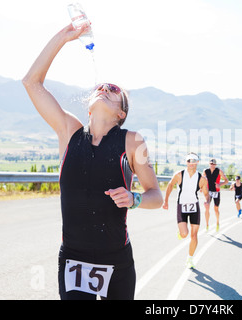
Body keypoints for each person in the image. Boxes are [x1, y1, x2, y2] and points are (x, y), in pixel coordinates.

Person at [22, 24, 163, 300]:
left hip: (117, 261)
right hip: (74, 260)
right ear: (89, 106)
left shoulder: (133, 142)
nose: (104, 88)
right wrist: (64, 38)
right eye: (101, 87)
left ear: (121, 113)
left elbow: (156, 196)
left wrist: (134, 199)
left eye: (112, 90)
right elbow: (31, 82)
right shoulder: (68, 131)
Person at [163, 153, 209, 269]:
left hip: (194, 207)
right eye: (189, 160)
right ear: (186, 162)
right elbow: (170, 185)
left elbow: (206, 193)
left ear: (197, 162)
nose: (191, 163)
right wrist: (166, 201)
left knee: (194, 235)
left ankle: (190, 258)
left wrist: (207, 201)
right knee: (184, 234)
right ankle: (180, 232)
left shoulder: (202, 179)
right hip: (182, 206)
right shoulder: (179, 175)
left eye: (194, 161)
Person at [203, 158, 228, 232]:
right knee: (207, 206)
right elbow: (201, 180)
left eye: (213, 164)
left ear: (215, 165)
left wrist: (220, 184)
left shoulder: (219, 171)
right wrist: (202, 187)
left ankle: (217, 223)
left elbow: (226, 181)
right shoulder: (205, 171)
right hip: (208, 192)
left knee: (216, 209)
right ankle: (207, 225)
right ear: (209, 164)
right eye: (211, 164)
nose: (212, 165)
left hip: (216, 192)